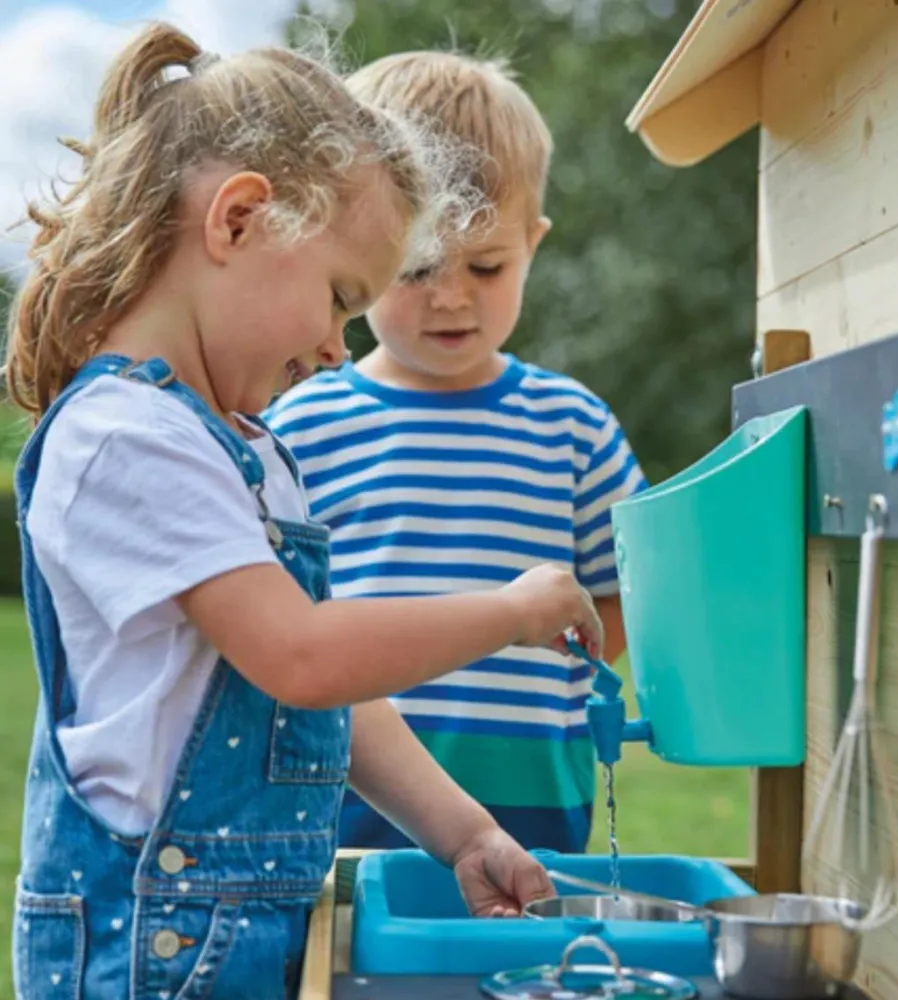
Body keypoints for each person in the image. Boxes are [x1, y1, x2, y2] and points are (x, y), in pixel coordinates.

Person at [6, 23, 604, 1000]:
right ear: (238, 220)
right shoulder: (126, 437)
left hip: (232, 938)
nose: (338, 346)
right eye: (337, 296)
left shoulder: (244, 448)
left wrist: (462, 830)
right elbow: (302, 652)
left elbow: (318, 691)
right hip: (146, 951)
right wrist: (509, 612)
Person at [264, 50, 646, 856]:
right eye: (420, 265)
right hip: (344, 796)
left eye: (487, 265)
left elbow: (626, 596)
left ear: (534, 245)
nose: (451, 295)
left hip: (537, 801)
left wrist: (572, 680)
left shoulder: (572, 425)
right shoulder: (300, 423)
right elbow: (282, 621)